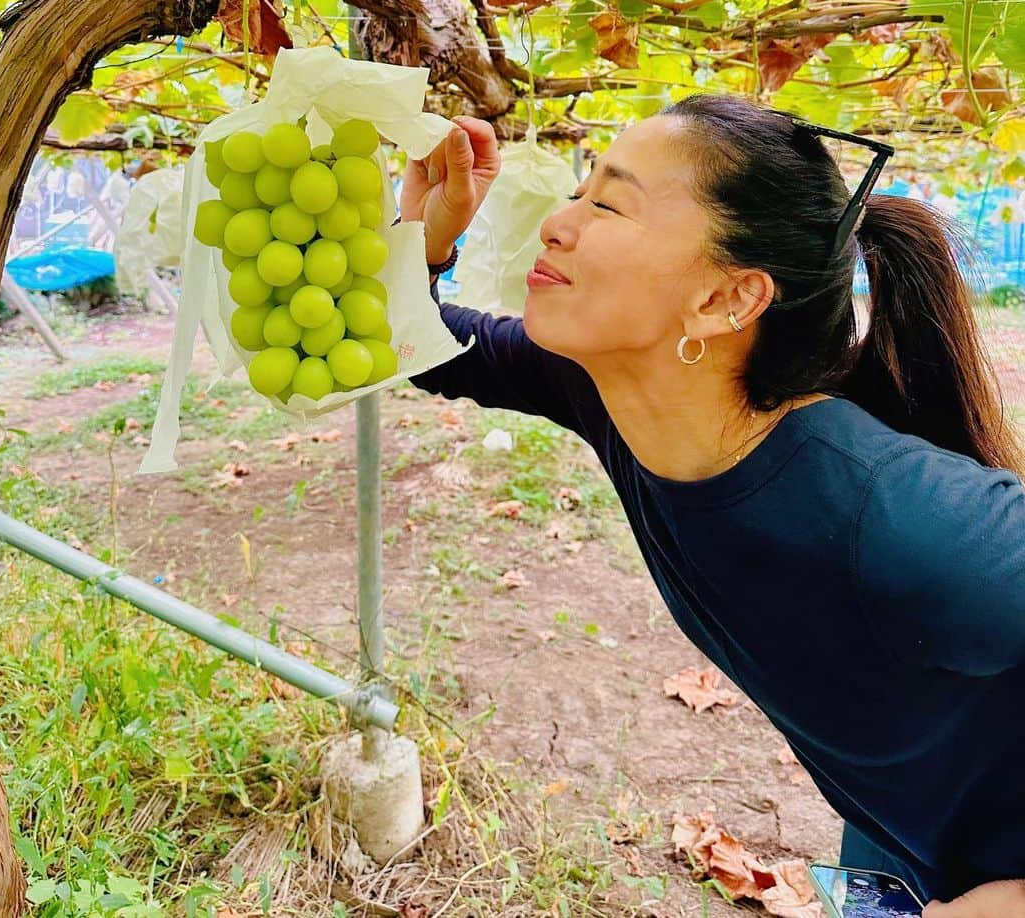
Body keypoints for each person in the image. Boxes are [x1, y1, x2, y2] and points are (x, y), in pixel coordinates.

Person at [399, 95, 1025, 916]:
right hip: (898, 855)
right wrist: (426, 236)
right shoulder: (609, 388)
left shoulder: (911, 519)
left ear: (727, 301)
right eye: (581, 191)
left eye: (610, 204)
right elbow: (418, 345)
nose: (558, 220)